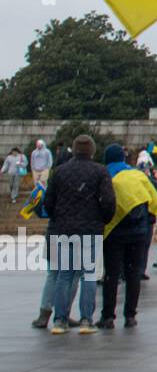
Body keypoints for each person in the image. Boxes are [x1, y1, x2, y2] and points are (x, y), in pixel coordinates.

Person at [40, 134, 115, 335]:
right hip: (90, 230)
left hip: (63, 230)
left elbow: (48, 203)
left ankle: (59, 321)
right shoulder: (100, 171)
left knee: (64, 275)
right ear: (92, 151)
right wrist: (103, 219)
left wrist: (60, 217)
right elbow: (108, 201)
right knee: (88, 275)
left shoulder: (60, 171)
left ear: (73, 149)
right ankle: (86, 320)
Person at [99, 144, 157, 329]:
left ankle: (108, 316)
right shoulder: (138, 175)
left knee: (111, 274)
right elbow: (155, 200)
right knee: (133, 274)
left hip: (114, 233)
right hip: (138, 232)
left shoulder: (106, 176)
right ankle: (130, 316)